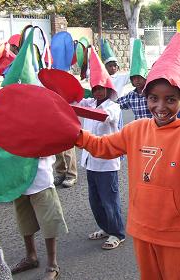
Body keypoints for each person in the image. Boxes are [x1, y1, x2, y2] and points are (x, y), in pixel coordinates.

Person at [75, 26, 180, 280]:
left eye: (170, 99)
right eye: (153, 98)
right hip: (142, 229)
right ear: (146, 98)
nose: (160, 107)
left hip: (179, 236)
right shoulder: (135, 130)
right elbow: (103, 147)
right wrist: (77, 136)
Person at [79, 48, 126, 250]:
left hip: (107, 162)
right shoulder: (89, 102)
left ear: (107, 89)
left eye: (101, 88)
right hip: (90, 161)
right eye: (95, 88)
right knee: (95, 200)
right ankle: (106, 228)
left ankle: (117, 233)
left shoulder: (112, 107)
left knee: (109, 200)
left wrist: (85, 109)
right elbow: (72, 101)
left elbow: (107, 117)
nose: (98, 92)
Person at [9, 156, 68, 280]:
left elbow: (49, 143)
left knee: (49, 221)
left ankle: (52, 264)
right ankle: (31, 257)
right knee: (24, 219)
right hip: (18, 178)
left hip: (40, 177)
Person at [115, 39, 152, 120]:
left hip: (152, 128)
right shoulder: (131, 96)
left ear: (146, 78)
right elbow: (116, 104)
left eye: (140, 77)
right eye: (134, 78)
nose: (137, 80)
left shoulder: (151, 93)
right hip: (138, 129)